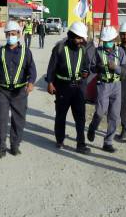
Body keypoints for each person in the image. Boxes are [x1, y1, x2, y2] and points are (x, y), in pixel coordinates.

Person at [0, 21, 37, 159]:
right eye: (8, 34)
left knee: (18, 120)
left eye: (13, 34)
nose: (10, 36)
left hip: (19, 92)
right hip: (2, 91)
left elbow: (32, 70)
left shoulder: (26, 52)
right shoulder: (0, 52)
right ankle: (1, 149)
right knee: (1, 120)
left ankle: (15, 146)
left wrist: (31, 82)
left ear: (19, 34)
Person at [46, 22, 91, 154]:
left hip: (78, 88)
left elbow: (86, 66)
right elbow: (51, 67)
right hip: (62, 87)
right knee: (61, 115)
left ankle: (80, 144)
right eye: (78, 38)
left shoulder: (83, 50)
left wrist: (86, 72)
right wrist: (50, 83)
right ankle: (60, 140)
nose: (80, 41)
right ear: (71, 36)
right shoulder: (59, 48)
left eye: (82, 38)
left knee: (80, 117)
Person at [87, 26, 126, 153]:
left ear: (114, 39)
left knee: (114, 116)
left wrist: (116, 68)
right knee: (99, 112)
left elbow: (125, 71)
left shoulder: (120, 52)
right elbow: (91, 68)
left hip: (116, 86)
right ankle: (93, 127)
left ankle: (108, 142)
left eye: (109, 41)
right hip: (103, 85)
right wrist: (100, 67)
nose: (107, 44)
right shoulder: (98, 51)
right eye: (105, 41)